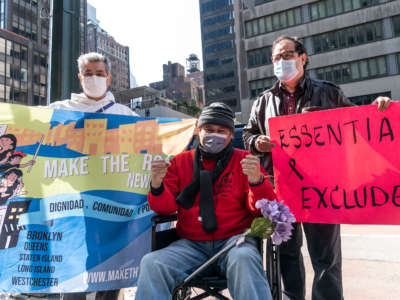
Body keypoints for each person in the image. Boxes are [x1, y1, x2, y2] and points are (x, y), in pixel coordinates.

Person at [242, 36, 391, 300]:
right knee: (287, 254)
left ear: (303, 58)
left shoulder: (329, 92)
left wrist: (380, 111)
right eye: (276, 57)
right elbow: (248, 135)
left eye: (287, 55)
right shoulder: (263, 102)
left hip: (322, 190)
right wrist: (257, 142)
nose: (281, 61)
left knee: (326, 257)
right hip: (281, 191)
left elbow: (357, 124)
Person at [3, 52, 138, 300]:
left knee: (110, 257)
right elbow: (27, 127)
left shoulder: (125, 114)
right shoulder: (59, 110)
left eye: (99, 73)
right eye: (88, 73)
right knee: (72, 256)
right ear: (80, 77)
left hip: (110, 203)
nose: (94, 78)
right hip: (70, 202)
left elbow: (148, 148)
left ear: (108, 78)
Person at [136, 102, 276, 300]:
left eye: (221, 131)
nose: (214, 135)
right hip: (191, 245)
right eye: (208, 129)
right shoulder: (180, 161)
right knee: (152, 263)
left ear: (230, 134)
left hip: (234, 242)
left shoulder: (245, 160)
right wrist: (157, 184)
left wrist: (257, 181)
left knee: (244, 258)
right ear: (198, 130)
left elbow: (263, 210)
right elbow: (166, 208)